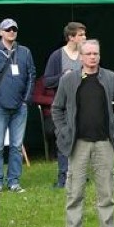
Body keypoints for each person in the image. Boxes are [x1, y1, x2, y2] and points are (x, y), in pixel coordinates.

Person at [52, 39, 114, 227]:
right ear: (81, 56)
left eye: (96, 54)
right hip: (78, 143)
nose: (92, 57)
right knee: (75, 191)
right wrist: (63, 129)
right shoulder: (68, 81)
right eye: (88, 54)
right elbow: (57, 108)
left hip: (104, 142)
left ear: (99, 55)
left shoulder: (111, 79)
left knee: (106, 191)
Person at [0, 18, 35, 193]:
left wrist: (25, 100)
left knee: (17, 146)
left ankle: (14, 181)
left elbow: (32, 75)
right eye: (8, 29)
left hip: (20, 107)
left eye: (14, 29)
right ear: (0, 32)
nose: (11, 31)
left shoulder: (24, 52)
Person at [41, 22, 86, 188]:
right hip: (63, 105)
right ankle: (63, 178)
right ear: (71, 37)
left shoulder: (85, 55)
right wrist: (63, 75)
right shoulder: (57, 56)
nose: (84, 38)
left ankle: (79, 175)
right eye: (81, 35)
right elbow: (47, 81)